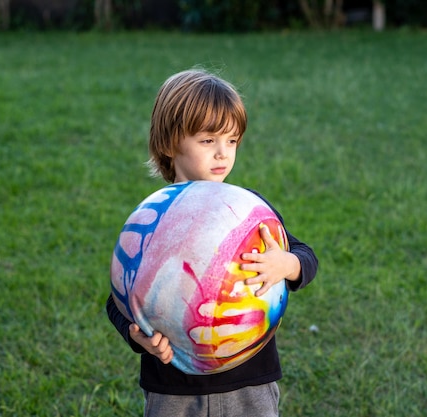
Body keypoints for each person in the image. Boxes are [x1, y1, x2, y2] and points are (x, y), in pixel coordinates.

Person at [106, 68, 318, 417]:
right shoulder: (154, 221)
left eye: (231, 141)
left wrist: (287, 264)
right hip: (172, 389)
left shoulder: (247, 211)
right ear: (170, 143)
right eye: (208, 141)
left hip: (250, 382)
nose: (223, 153)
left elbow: (306, 257)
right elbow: (117, 298)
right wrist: (136, 336)